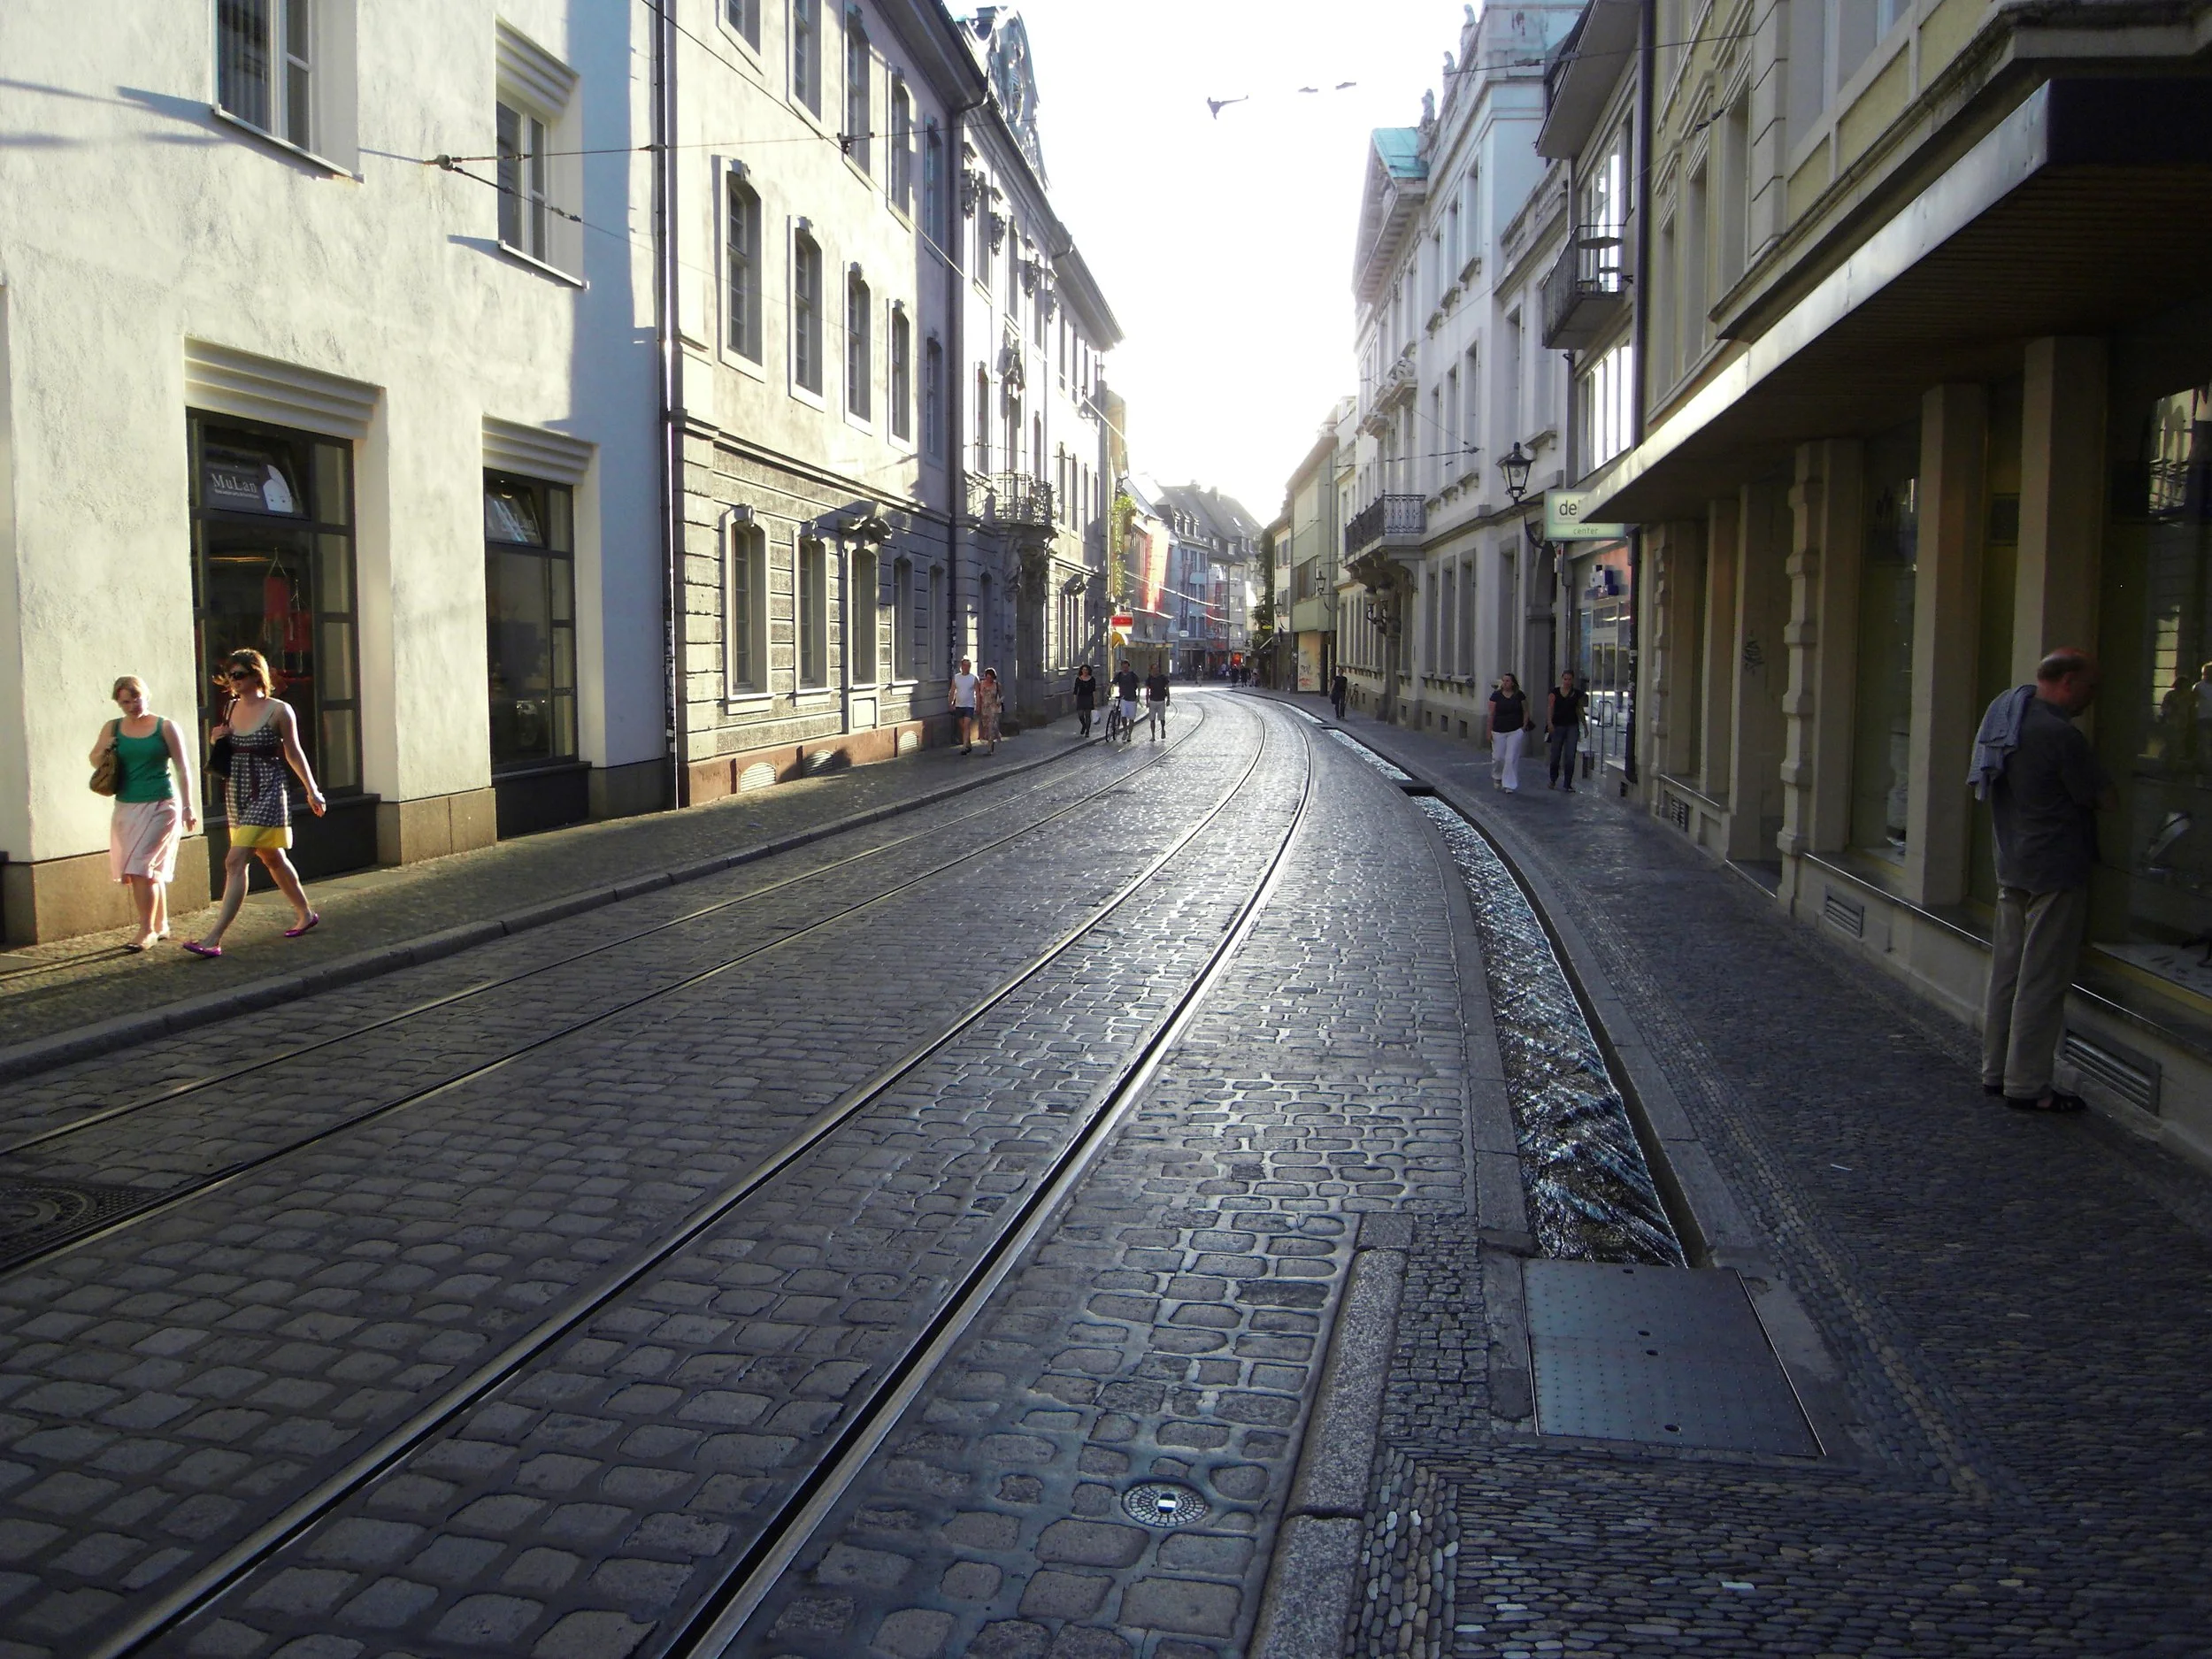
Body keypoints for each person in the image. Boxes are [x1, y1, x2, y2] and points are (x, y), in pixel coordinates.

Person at [1975, 649, 2113, 1113]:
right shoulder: (2059, 734)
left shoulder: (2005, 717)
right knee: (2042, 978)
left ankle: (1995, 1071)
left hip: (2011, 861)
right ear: (2069, 681)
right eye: (2091, 687)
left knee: (2007, 974)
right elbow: (2100, 797)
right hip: (2054, 868)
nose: (2092, 699)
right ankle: (2028, 1084)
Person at [183, 649, 326, 958]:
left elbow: (293, 752)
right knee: (272, 858)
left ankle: (214, 937)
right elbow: (225, 751)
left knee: (235, 861)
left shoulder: (279, 710)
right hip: (238, 791)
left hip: (269, 790)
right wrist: (216, 739)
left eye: (238, 675)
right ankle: (305, 913)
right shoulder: (231, 708)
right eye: (230, 675)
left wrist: (312, 790)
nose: (233, 682)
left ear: (255, 674)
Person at [94, 675, 198, 952]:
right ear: (117, 702)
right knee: (149, 870)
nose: (131, 705)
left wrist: (188, 805)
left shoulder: (164, 726)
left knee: (140, 866)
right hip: (126, 805)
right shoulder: (113, 727)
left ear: (146, 696)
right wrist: (105, 748)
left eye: (135, 698)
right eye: (124, 701)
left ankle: (146, 930)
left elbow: (183, 767)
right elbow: (94, 760)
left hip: (162, 805)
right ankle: (161, 923)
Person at [1487, 672, 1531, 792]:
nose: (1505, 683)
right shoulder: (1496, 696)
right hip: (1498, 730)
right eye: (1504, 681)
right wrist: (1489, 731)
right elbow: (1491, 714)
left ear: (1513, 683)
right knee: (1498, 757)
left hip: (1515, 730)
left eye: (1508, 681)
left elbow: (1526, 711)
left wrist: (1523, 727)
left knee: (1511, 758)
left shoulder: (1519, 695)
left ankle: (1509, 784)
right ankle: (1497, 777)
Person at [1545, 670, 1587, 791]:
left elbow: (1580, 710)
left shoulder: (1577, 694)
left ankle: (1567, 783)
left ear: (1572, 680)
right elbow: (1550, 708)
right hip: (1557, 725)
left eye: (1569, 679)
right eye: (1565, 679)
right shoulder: (1554, 693)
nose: (1567, 682)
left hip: (1572, 726)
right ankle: (1553, 779)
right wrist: (1549, 723)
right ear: (1562, 679)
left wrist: (1584, 726)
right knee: (1555, 755)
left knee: (1570, 756)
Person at [949, 657, 979, 754]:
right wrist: (950, 703)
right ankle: (968, 743)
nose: (966, 667)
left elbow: (978, 693)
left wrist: (978, 705)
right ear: (961, 667)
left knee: (966, 725)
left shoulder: (973, 678)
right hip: (959, 705)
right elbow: (952, 691)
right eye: (965, 665)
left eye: (968, 666)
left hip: (969, 705)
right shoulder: (957, 677)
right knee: (962, 726)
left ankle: (964, 747)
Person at [1112, 658, 1141, 745]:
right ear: (1121, 667)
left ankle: (1130, 735)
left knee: (1131, 718)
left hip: (1132, 698)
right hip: (1123, 698)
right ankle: (1125, 731)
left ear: (1128, 667)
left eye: (1126, 667)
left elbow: (1139, 684)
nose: (1125, 668)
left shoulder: (1133, 675)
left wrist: (1138, 696)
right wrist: (1107, 691)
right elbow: (1112, 683)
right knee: (1123, 716)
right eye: (1123, 667)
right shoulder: (1119, 675)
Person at [976, 666, 1003, 755]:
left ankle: (990, 748)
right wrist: (978, 706)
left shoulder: (997, 685)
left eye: (990, 677)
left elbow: (1002, 696)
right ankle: (997, 735)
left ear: (993, 677)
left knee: (991, 727)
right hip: (984, 708)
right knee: (986, 728)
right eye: (987, 677)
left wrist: (999, 701)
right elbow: (979, 696)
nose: (989, 679)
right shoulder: (981, 684)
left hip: (993, 708)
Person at [1144, 662, 1172, 741]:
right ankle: (1153, 736)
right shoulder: (1149, 678)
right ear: (1151, 670)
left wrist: (1168, 699)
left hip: (1161, 700)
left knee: (1162, 718)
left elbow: (1167, 688)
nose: (1156, 670)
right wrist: (1147, 702)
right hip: (1152, 701)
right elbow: (1147, 691)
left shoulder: (1163, 678)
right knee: (1152, 719)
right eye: (1154, 669)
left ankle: (1163, 729)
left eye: (1157, 668)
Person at [1072, 664, 1098, 737]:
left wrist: (1095, 700)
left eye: (1086, 670)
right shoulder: (1078, 679)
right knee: (1080, 715)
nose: (1085, 671)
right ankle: (1084, 725)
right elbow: (1075, 690)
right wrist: (1074, 699)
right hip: (1081, 698)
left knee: (1087, 715)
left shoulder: (1092, 679)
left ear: (1088, 671)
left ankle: (1087, 731)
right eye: (1083, 670)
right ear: (1081, 671)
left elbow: (1094, 690)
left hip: (1089, 698)